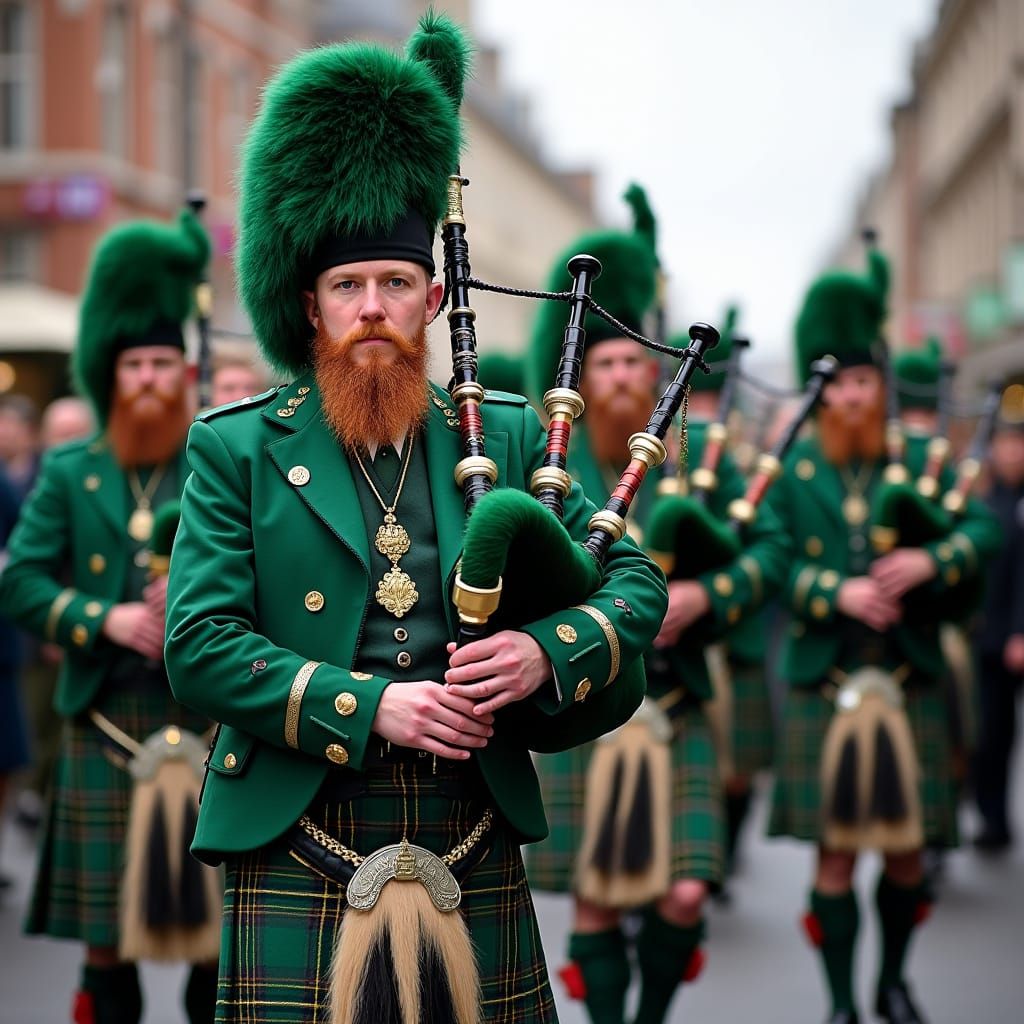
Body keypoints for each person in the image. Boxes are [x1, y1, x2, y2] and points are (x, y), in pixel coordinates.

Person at [163, 15, 667, 1024]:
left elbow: (632, 583)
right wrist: (368, 703)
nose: (372, 310)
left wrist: (542, 651)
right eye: (347, 287)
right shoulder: (238, 447)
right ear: (310, 306)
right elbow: (199, 646)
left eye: (395, 283)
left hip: (470, 822)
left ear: (434, 298)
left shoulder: (508, 434)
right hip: (302, 824)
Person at [524, 193, 788, 1024]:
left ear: (656, 370)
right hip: (585, 705)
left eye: (635, 363)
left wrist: (709, 593)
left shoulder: (700, 453)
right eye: (602, 364)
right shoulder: (547, 456)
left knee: (682, 894)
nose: (620, 377)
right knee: (597, 900)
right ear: (580, 378)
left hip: (680, 701)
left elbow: (772, 550)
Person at [766, 244, 1001, 1024]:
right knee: (835, 857)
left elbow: (982, 535)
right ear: (819, 391)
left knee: (906, 857)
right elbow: (768, 562)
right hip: (827, 682)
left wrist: (933, 561)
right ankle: (839, 1002)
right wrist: (837, 590)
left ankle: (893, 982)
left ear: (883, 386)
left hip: (910, 680)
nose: (851, 400)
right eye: (835, 386)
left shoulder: (925, 460)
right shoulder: (790, 468)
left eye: (864, 383)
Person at [0, 209, 217, 1024]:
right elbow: (19, 582)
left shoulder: (221, 461)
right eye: (137, 365)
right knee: (106, 944)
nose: (153, 380)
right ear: (109, 373)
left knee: (221, 939)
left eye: (167, 363)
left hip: (211, 724)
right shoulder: (68, 472)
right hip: (105, 722)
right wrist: (108, 620)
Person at [14, 395, 96, 831]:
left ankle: (42, 792)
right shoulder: (44, 481)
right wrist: (64, 623)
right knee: (39, 722)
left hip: (89, 635)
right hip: (49, 629)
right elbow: (27, 574)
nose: (68, 443)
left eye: (75, 433)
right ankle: (37, 793)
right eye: (60, 435)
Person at [971, 406, 1024, 851]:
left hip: (1014, 635)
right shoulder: (985, 501)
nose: (1010, 453)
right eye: (1004, 444)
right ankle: (992, 818)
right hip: (987, 638)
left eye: (1018, 444)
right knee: (988, 735)